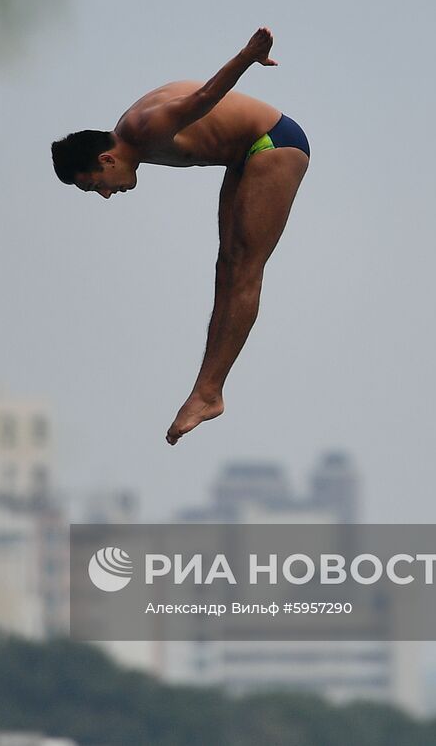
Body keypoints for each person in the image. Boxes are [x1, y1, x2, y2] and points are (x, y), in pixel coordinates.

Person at [51, 27, 310, 445]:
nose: (105, 193)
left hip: (274, 143)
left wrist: (249, 55)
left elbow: (204, 97)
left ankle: (209, 393)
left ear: (106, 158)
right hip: (244, 154)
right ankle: (207, 391)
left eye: (95, 183)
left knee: (244, 269)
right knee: (226, 267)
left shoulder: (144, 128)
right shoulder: (134, 137)